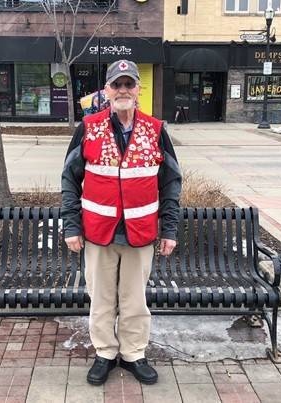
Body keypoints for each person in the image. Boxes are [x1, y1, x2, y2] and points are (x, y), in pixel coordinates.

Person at [61, 59, 182, 386]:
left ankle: (133, 354)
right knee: (100, 299)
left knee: (134, 299)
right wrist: (71, 226)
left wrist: (168, 228)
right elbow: (70, 179)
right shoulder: (89, 128)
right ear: (107, 91)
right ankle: (104, 352)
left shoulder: (156, 130)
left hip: (140, 232)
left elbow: (171, 182)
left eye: (130, 84)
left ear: (138, 90)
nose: (123, 90)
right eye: (117, 85)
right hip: (98, 232)